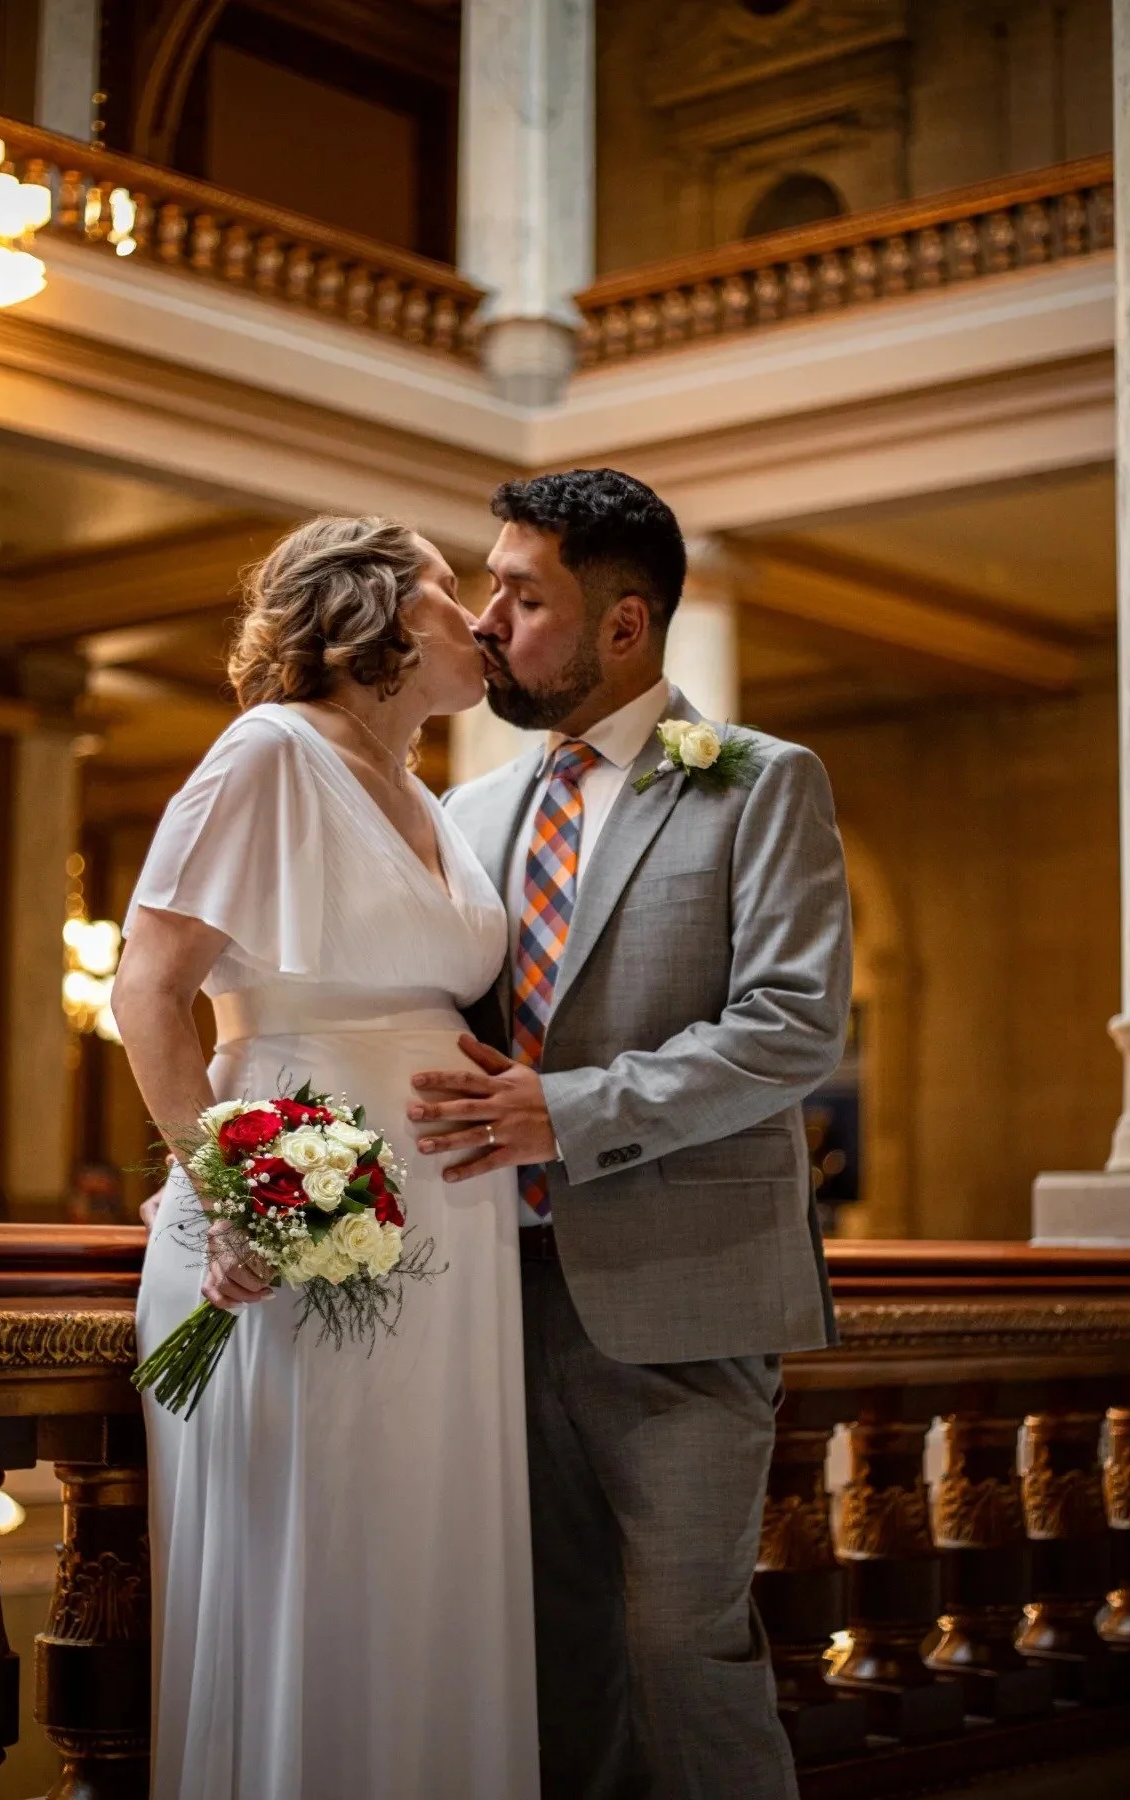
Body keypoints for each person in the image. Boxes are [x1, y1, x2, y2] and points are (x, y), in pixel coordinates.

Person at [407, 469, 853, 1800]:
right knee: (550, 1661)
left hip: (685, 1299)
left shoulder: (760, 784)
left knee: (682, 1648)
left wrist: (573, 1110)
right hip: (488, 1305)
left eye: (522, 595)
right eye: (489, 586)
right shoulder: (467, 818)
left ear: (624, 624)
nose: (487, 620)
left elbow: (790, 1030)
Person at [114, 517, 539, 1800]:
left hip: (454, 1232)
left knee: (429, 1559)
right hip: (293, 1215)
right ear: (380, 618)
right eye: (448, 592)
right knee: (323, 1555)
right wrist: (236, 1198)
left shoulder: (432, 795)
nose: (476, 619)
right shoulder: (270, 752)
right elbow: (146, 991)